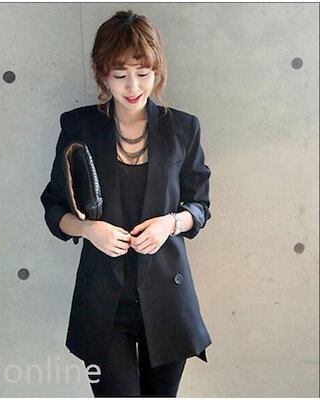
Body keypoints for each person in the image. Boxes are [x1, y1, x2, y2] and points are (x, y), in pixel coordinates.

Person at [40, 10, 212, 397]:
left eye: (143, 73)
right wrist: (89, 230)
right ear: (102, 74)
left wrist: (170, 223)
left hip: (168, 299)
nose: (132, 86)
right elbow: (54, 207)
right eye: (120, 75)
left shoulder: (183, 128)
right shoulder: (80, 127)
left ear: (157, 71)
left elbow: (200, 206)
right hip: (103, 303)